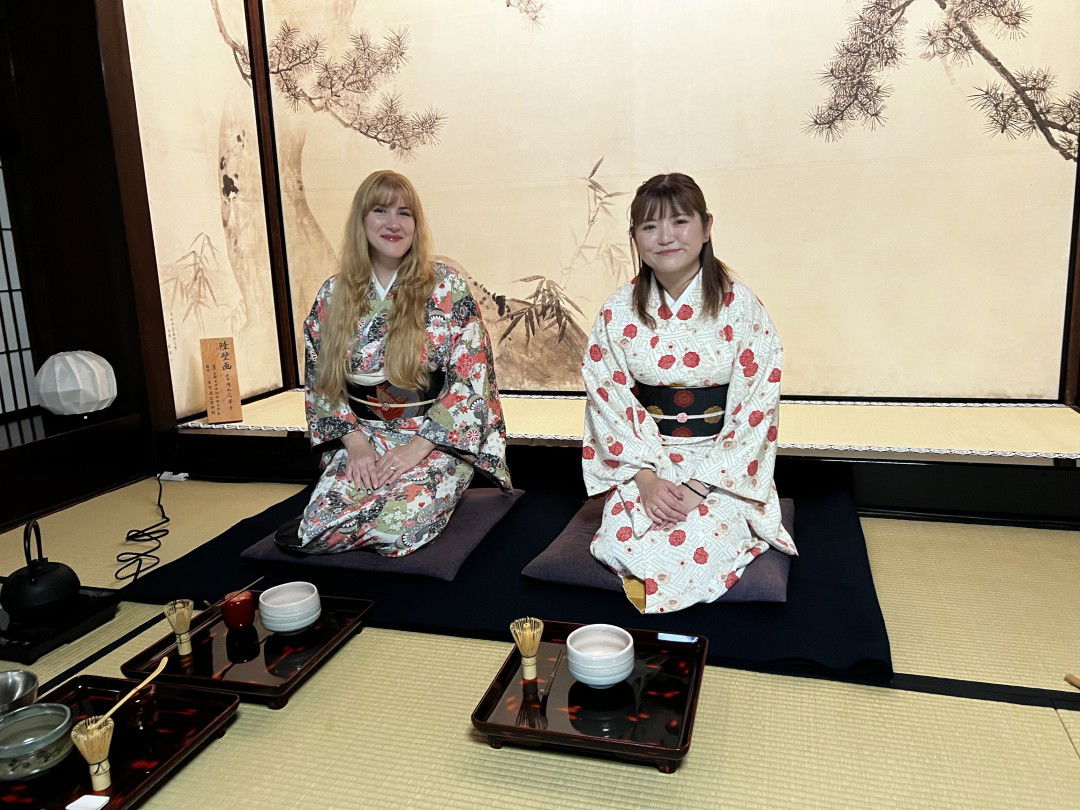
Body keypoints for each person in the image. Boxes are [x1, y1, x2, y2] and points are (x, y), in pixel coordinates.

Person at [581, 173, 796, 613]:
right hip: (647, 455)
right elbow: (608, 400)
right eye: (649, 227)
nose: (665, 237)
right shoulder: (616, 311)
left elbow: (756, 406)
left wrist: (700, 485)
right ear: (635, 238)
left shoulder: (742, 307)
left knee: (693, 536)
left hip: (720, 460)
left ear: (706, 226)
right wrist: (644, 479)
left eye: (679, 222)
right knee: (625, 534)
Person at [279, 170, 511, 556]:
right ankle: (332, 522)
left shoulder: (447, 285)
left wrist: (416, 448)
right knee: (317, 524)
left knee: (395, 531)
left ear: (416, 224)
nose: (393, 223)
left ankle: (367, 519)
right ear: (361, 220)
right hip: (364, 437)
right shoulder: (333, 294)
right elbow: (322, 380)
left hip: (434, 440)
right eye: (380, 210)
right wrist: (355, 446)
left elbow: (470, 380)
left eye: (405, 213)